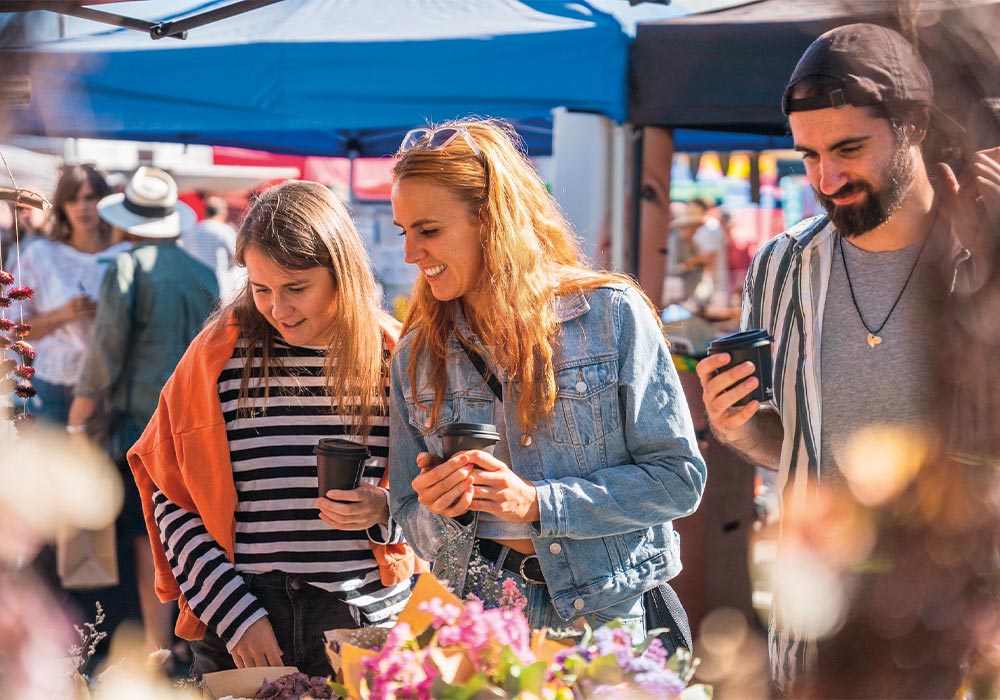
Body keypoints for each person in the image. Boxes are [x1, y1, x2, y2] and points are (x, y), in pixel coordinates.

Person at [694, 23, 1000, 692]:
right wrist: (741, 426)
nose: (826, 179)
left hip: (970, 635)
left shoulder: (984, 255)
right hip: (822, 640)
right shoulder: (781, 267)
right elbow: (798, 446)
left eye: (849, 149)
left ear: (914, 125)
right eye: (807, 156)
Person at [388, 119, 706, 641]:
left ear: (493, 220)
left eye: (428, 230)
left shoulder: (609, 315)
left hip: (603, 619)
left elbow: (678, 480)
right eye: (405, 232)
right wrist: (440, 511)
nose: (410, 254)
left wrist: (539, 504)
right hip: (482, 622)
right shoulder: (418, 354)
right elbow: (407, 508)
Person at [127, 180, 417, 676]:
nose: (278, 309)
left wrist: (382, 509)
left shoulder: (394, 358)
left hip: (364, 625)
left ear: (341, 273)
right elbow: (172, 498)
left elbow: (432, 505)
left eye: (296, 289)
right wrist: (236, 616)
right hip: (241, 621)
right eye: (261, 290)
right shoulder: (215, 358)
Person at [66, 166, 219, 663]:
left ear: (129, 220)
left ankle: (159, 652)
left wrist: (76, 419)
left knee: (147, 542)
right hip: (199, 430)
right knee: (192, 538)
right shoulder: (202, 272)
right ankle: (188, 645)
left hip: (140, 432)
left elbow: (105, 354)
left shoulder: (125, 269)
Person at [17, 165, 128, 426]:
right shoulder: (41, 256)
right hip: (53, 383)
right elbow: (14, 328)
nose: (83, 207)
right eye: (73, 198)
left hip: (110, 383)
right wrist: (61, 315)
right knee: (50, 464)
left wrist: (110, 315)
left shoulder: (124, 255)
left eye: (90, 197)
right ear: (62, 205)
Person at [181, 194, 239, 300]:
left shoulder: (192, 230)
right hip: (220, 286)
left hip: (195, 285)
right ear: (223, 213)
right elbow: (238, 257)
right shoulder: (225, 231)